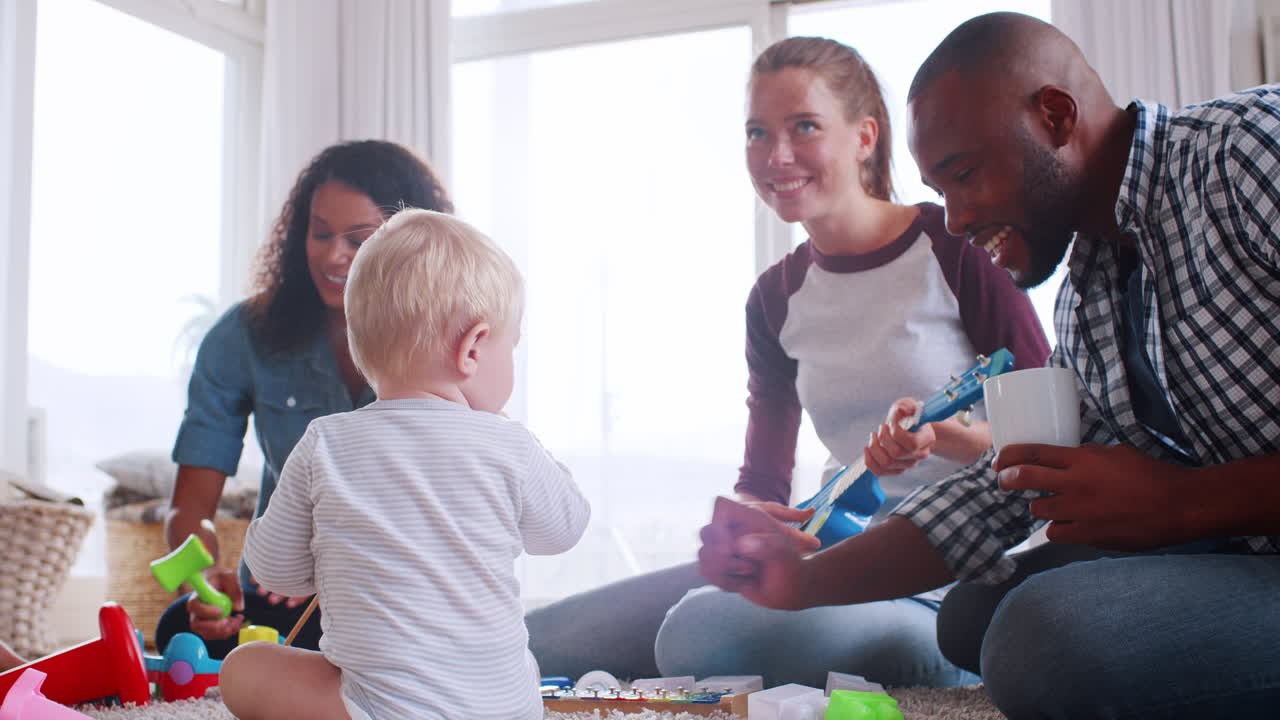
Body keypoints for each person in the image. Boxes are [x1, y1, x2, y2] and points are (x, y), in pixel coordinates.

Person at [699, 11, 1280, 719]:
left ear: (1056, 116)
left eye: (964, 175)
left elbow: (1176, 501)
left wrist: (1186, 503)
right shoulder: (1088, 295)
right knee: (975, 614)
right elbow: (1002, 488)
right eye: (938, 190)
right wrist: (802, 579)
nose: (955, 219)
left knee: (1039, 642)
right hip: (1248, 549)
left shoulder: (1246, 154)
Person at [529, 36, 1050, 688]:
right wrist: (745, 521)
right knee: (537, 639)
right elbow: (765, 485)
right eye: (757, 132)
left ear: (864, 137)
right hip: (823, 555)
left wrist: (944, 435)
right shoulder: (775, 298)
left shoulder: (956, 249)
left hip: (939, 579)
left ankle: (950, 660)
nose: (776, 156)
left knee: (700, 631)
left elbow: (1053, 435)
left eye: (804, 126)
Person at [218, 209, 590, 720]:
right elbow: (563, 530)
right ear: (473, 349)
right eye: (514, 346)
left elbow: (276, 574)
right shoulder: (507, 444)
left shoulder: (326, 441)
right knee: (515, 660)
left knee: (245, 667)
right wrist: (519, 437)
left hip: (378, 709)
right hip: (503, 709)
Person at [157, 140, 454, 658]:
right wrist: (201, 575)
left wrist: (339, 570)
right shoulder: (242, 336)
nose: (333, 255)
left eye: (358, 239)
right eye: (319, 234)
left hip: (396, 594)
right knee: (178, 630)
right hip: (280, 593)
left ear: (409, 247)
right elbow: (189, 509)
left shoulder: (447, 337)